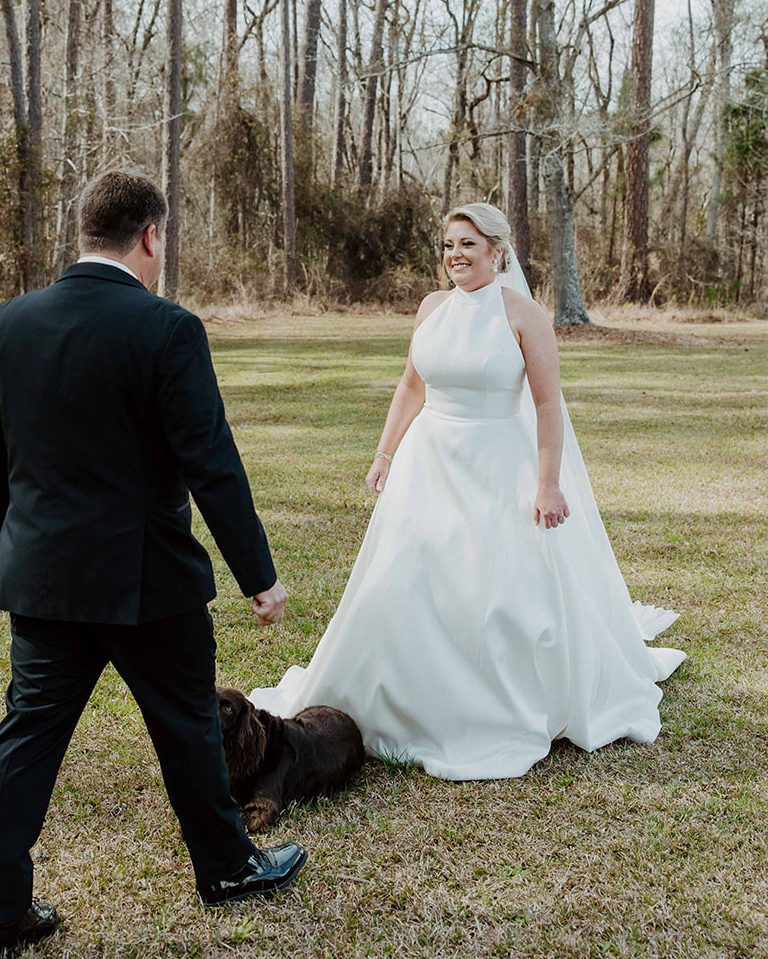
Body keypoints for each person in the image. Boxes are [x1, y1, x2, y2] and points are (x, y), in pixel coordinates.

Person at [0, 170, 306, 959]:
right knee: (186, 722)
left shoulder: (3, 324)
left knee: (26, 737)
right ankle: (225, 868)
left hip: (42, 577)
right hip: (146, 580)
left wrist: (3, 554)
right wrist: (259, 573)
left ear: (85, 231)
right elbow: (211, 464)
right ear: (150, 236)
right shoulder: (166, 329)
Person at [251, 202, 685, 780]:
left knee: (493, 591)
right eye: (449, 244)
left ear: (498, 251)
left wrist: (548, 483)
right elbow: (410, 387)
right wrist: (384, 454)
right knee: (407, 577)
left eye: (469, 245)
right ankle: (400, 695)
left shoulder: (524, 316)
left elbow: (549, 404)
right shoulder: (432, 308)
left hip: (496, 464)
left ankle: (490, 705)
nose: (455, 255)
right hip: (428, 463)